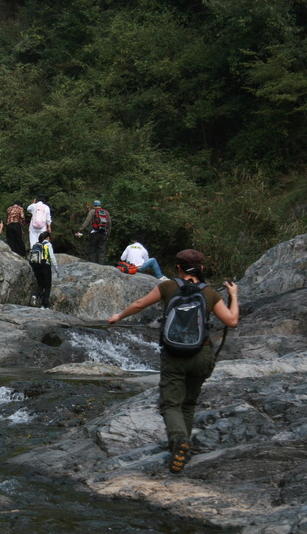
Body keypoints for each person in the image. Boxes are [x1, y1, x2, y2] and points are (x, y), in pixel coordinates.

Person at [108, 249, 239, 474]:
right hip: (202, 353)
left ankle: (178, 441)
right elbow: (231, 320)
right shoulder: (209, 293)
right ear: (202, 269)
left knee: (171, 404)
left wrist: (119, 316)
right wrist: (234, 295)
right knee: (188, 403)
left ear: (177, 268)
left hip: (174, 354)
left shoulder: (168, 287)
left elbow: (140, 304)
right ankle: (183, 444)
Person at [29, 232, 60, 308]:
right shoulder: (47, 245)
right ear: (47, 238)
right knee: (47, 286)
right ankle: (44, 305)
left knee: (40, 284)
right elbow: (52, 257)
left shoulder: (36, 245)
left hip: (36, 266)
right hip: (45, 266)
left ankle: (35, 296)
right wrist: (56, 268)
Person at [75, 200, 111, 264]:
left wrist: (80, 230)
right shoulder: (106, 212)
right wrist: (108, 234)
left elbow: (87, 221)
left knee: (92, 250)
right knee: (101, 251)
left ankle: (92, 265)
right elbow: (109, 224)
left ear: (94, 205)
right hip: (103, 234)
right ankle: (101, 266)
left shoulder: (92, 211)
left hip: (94, 233)